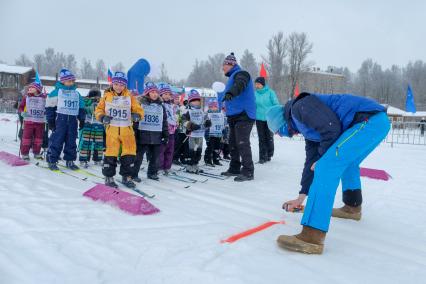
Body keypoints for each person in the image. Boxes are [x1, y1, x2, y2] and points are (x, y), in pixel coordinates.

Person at [265, 92, 390, 254]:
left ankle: (312, 236)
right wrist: (302, 195)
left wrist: (323, 160)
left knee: (326, 167)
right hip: (378, 123)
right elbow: (310, 161)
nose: (281, 135)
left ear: (280, 122)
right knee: (346, 163)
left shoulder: (299, 108)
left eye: (278, 132)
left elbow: (332, 128)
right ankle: (352, 207)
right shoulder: (305, 125)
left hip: (367, 121)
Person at [95, 71, 144, 188]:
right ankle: (109, 176)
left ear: (125, 85)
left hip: (127, 130)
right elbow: (98, 110)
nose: (118, 87)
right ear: (112, 84)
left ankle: (126, 176)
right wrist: (102, 117)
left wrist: (137, 115)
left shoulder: (130, 96)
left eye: (121, 85)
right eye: (116, 84)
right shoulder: (107, 96)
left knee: (129, 154)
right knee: (111, 153)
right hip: (112, 130)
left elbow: (138, 109)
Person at [219, 52, 256, 182]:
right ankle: (234, 167)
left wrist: (231, 93)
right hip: (234, 115)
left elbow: (240, 84)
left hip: (244, 114)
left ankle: (248, 171)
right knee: (233, 142)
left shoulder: (242, 73)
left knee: (242, 142)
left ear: (230, 64)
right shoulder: (231, 77)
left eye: (224, 65)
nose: (222, 68)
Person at [46, 69, 85, 171]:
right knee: (56, 141)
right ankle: (52, 160)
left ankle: (70, 160)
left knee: (71, 141)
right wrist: (50, 121)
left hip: (72, 121)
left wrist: (82, 119)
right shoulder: (56, 92)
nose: (71, 83)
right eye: (68, 81)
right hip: (60, 121)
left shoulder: (76, 94)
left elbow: (81, 107)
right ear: (62, 81)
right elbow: (50, 107)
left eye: (72, 81)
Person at [133, 82, 168, 181]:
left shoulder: (161, 106)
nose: (155, 94)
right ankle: (134, 174)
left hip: (156, 135)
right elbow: (135, 120)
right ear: (147, 93)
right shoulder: (140, 104)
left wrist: (166, 134)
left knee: (155, 157)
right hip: (142, 134)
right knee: (138, 157)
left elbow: (164, 121)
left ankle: (152, 172)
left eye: (156, 92)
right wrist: (134, 133)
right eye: (152, 92)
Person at [182, 89, 211, 173]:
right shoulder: (188, 111)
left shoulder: (202, 111)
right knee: (191, 150)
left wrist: (208, 123)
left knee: (198, 150)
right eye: (194, 101)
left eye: (198, 101)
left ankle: (195, 164)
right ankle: (189, 165)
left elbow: (206, 120)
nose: (196, 102)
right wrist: (190, 125)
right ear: (190, 102)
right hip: (191, 135)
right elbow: (184, 121)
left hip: (200, 134)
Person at [254, 76, 279, 163]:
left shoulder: (270, 92)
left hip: (269, 119)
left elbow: (276, 104)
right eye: (255, 84)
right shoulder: (255, 93)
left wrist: (275, 115)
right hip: (259, 118)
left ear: (263, 84)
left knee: (269, 137)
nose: (256, 86)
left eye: (258, 84)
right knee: (261, 138)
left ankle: (269, 154)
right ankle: (262, 157)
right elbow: (254, 105)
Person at [18, 82, 46, 160]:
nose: (29, 89)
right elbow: (21, 107)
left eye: (32, 87)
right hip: (28, 121)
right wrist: (22, 112)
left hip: (40, 122)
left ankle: (36, 153)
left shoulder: (43, 98)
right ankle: (25, 153)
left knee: (39, 139)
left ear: (37, 89)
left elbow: (47, 107)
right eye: (29, 87)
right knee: (26, 138)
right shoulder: (26, 97)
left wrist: (46, 115)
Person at [78, 89, 104, 167]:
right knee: (86, 143)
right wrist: (91, 103)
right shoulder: (86, 101)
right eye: (94, 97)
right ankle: (83, 159)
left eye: (98, 97)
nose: (96, 99)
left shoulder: (102, 102)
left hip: (99, 125)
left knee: (99, 144)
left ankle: (98, 159)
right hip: (88, 124)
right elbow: (85, 109)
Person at [158, 84, 177, 175]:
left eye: (169, 94)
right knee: (161, 150)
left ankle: (167, 167)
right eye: (165, 94)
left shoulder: (171, 106)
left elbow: (173, 117)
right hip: (163, 131)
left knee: (170, 150)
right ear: (160, 95)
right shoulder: (159, 104)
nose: (167, 96)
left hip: (172, 131)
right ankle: (160, 167)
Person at [204, 101, 225, 166]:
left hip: (218, 133)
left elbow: (223, 123)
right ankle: (208, 160)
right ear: (209, 107)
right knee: (210, 147)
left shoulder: (221, 114)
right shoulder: (208, 114)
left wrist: (223, 132)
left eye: (215, 106)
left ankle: (216, 159)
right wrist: (206, 135)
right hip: (210, 134)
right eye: (212, 107)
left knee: (217, 148)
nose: (214, 108)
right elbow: (205, 124)